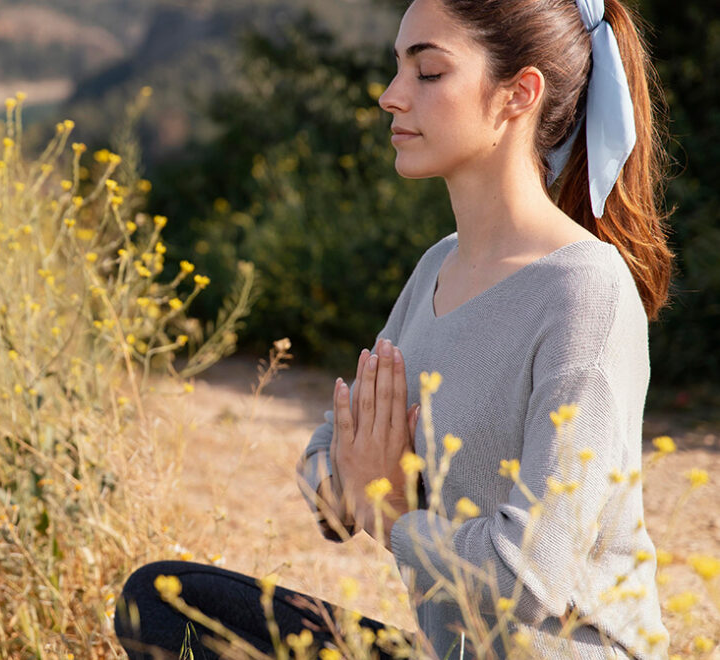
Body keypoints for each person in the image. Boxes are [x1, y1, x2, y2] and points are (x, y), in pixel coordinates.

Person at [114, 0, 673, 656]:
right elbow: (326, 455)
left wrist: (391, 512)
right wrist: (362, 487)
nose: (389, 97)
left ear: (518, 94)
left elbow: (533, 574)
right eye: (395, 71)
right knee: (165, 602)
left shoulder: (585, 291)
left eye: (427, 73)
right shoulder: (440, 265)